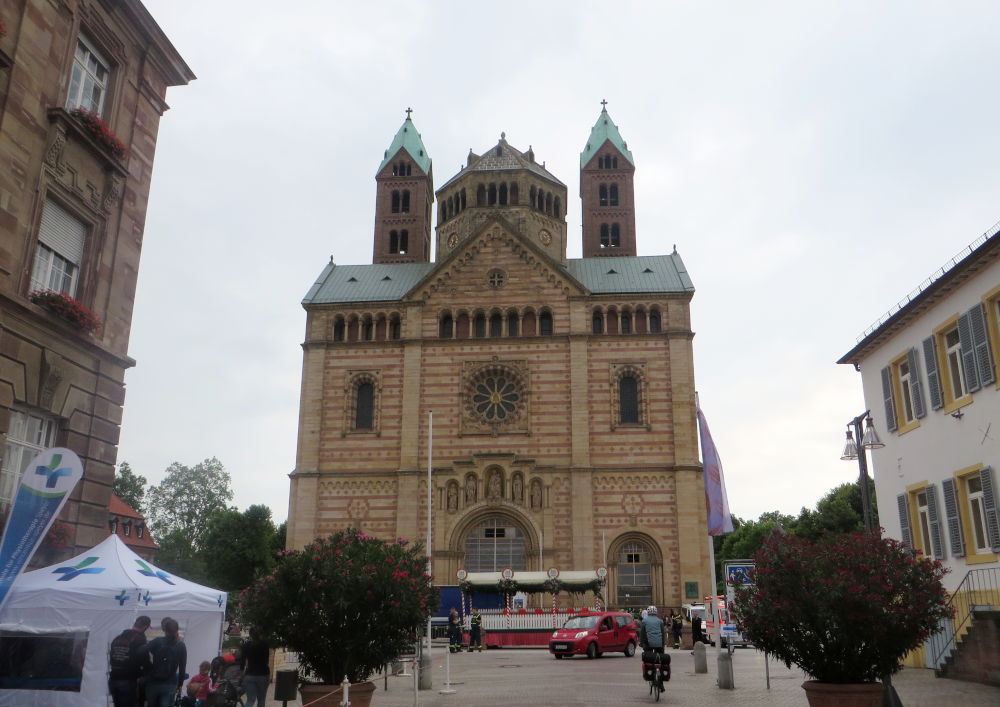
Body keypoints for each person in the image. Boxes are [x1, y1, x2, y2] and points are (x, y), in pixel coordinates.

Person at [142, 616, 187, 707]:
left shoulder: (157, 642)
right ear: (177, 630)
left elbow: (141, 651)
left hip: (153, 681)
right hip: (170, 683)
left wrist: (148, 667)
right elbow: (182, 667)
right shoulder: (181, 646)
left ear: (164, 630)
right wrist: (180, 684)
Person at [108, 615, 151, 707]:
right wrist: (147, 671)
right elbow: (144, 660)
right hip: (127, 681)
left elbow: (112, 658)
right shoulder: (140, 639)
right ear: (145, 627)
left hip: (113, 679)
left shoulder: (118, 638)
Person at [240, 629, 270, 707]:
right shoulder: (264, 645)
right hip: (263, 674)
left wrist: (241, 673)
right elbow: (267, 661)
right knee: (261, 700)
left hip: (249, 675)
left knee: (250, 700)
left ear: (250, 635)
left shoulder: (246, 645)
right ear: (260, 635)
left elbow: (242, 661)